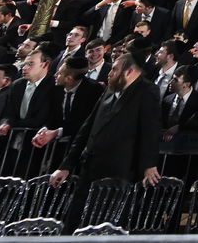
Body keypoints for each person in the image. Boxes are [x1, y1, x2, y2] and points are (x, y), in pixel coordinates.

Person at [49, 52, 161, 217]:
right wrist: (67, 165)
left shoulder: (147, 90)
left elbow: (150, 129)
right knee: (76, 216)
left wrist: (149, 164)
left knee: (106, 219)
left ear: (129, 72)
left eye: (114, 70)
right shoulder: (111, 88)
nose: (109, 73)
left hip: (120, 170)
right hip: (90, 165)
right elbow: (87, 127)